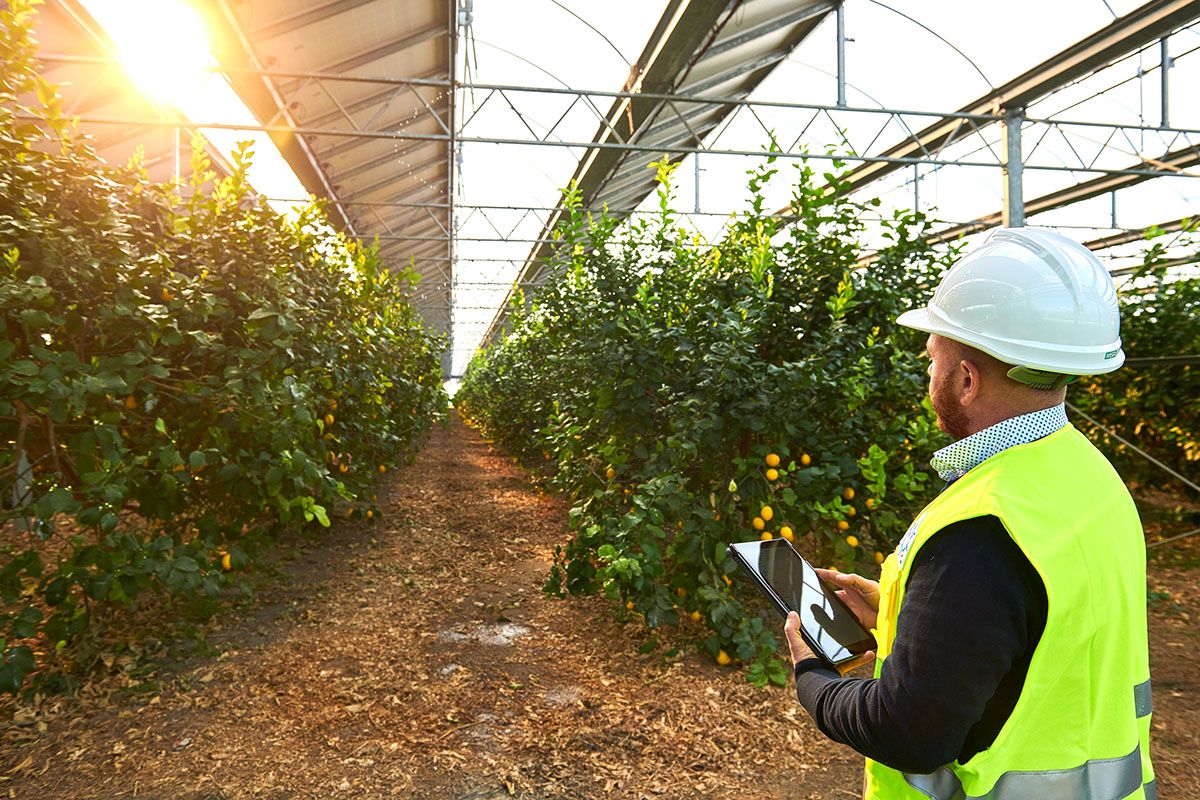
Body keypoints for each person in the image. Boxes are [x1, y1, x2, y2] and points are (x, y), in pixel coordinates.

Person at [781, 227, 1156, 799]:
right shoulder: (1092, 477)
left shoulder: (982, 530)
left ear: (964, 379)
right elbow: (1046, 628)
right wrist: (909, 621)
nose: (928, 375)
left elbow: (908, 733)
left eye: (933, 359)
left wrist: (813, 677)